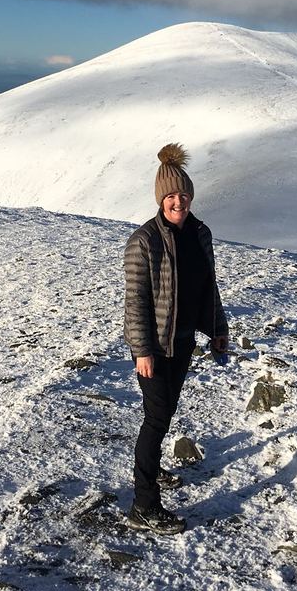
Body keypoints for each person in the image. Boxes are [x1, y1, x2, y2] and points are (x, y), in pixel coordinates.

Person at [123, 143, 229, 534]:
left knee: (164, 415)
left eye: (183, 194)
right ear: (160, 199)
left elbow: (208, 287)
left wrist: (219, 329)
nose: (178, 201)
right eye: (170, 196)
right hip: (154, 348)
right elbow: (135, 301)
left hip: (183, 341)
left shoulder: (201, 234)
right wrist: (142, 351)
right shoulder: (144, 241)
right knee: (155, 419)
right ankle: (143, 505)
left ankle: (152, 474)